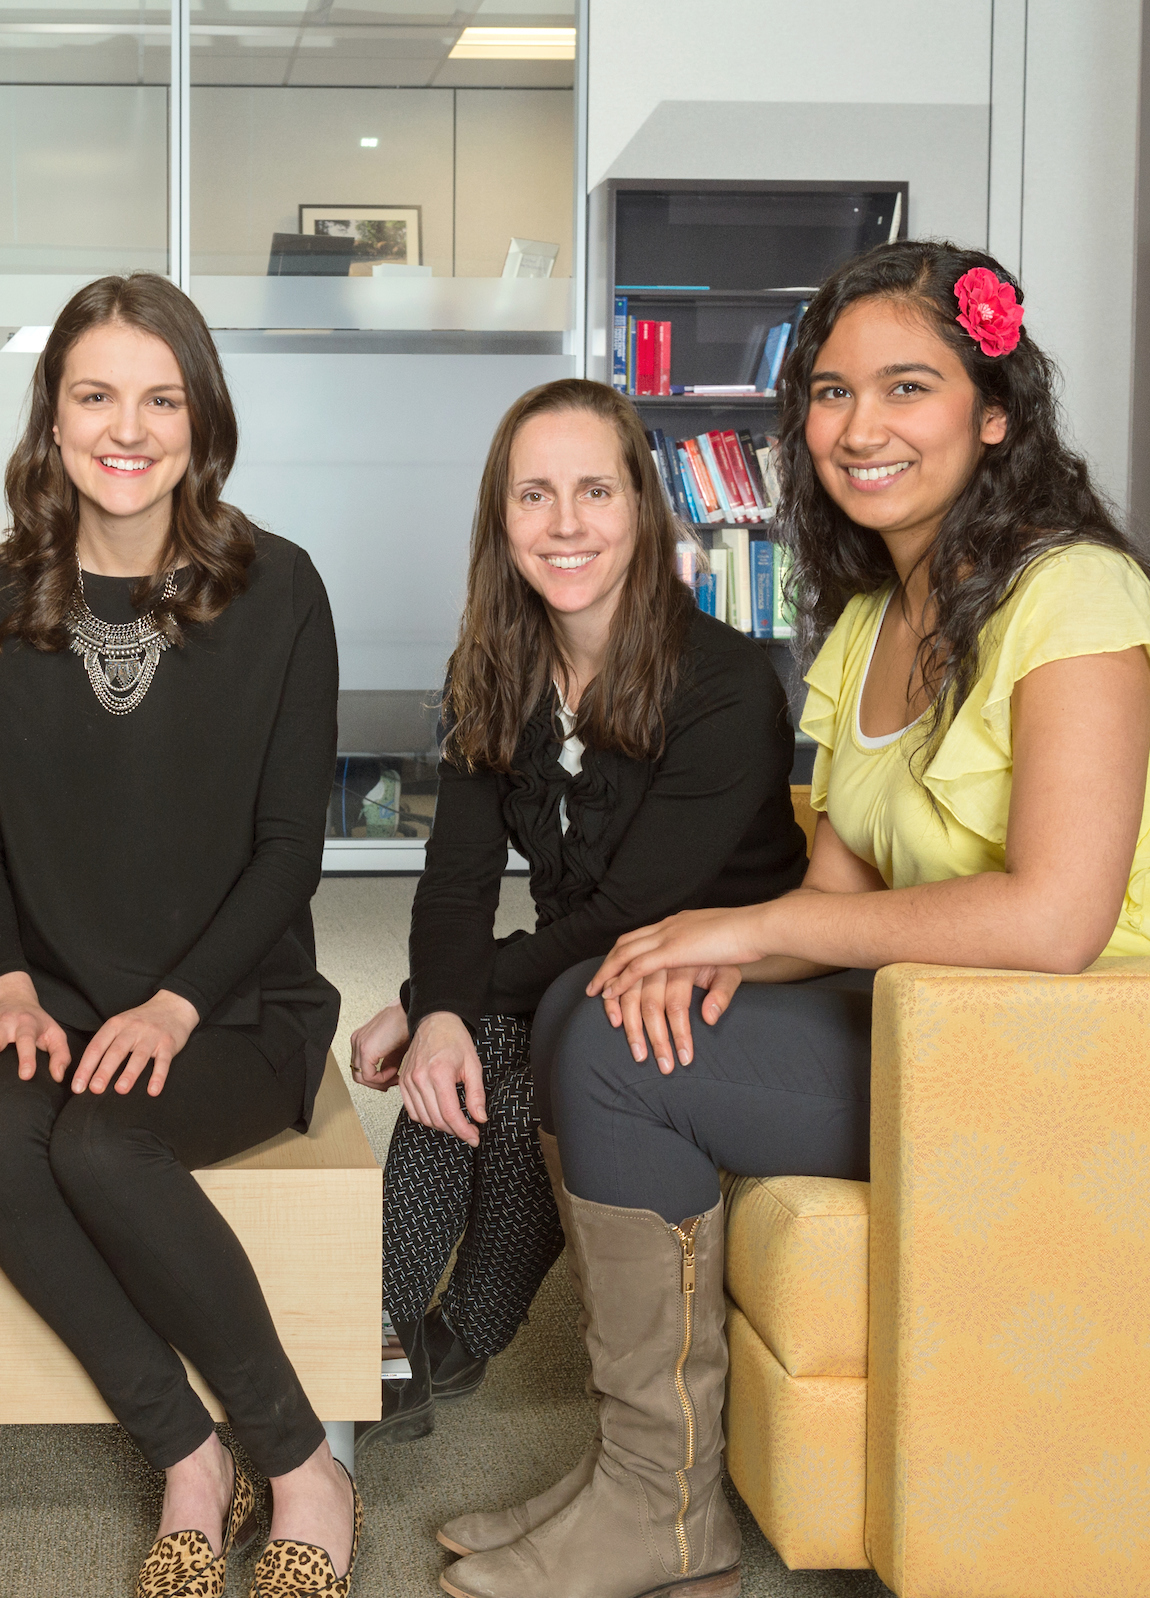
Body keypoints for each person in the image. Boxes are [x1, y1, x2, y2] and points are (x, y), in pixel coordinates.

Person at [432, 243, 1150, 1598]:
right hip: (940, 1027)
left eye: (908, 386)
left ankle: (659, 1506)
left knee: (611, 1047)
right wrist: (704, 940)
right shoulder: (872, 619)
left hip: (1098, 1060)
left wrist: (741, 936)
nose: (860, 427)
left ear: (994, 412)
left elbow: (1058, 916)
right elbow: (837, 902)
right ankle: (650, 1474)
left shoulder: (1077, 598)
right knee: (602, 999)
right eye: (830, 392)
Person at [0, 273, 360, 1598]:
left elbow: (293, 844)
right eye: (96, 394)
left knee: (101, 1140)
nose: (129, 428)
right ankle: (186, 1451)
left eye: (161, 397)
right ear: (52, 419)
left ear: (201, 417)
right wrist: (5, 984)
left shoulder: (281, 590)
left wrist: (175, 1003)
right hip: (54, 993)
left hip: (232, 1007)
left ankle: (301, 1465)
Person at [346, 380, 806, 1450]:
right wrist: (446, 1011)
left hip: (718, 978)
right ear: (500, 521)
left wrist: (429, 998)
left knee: (514, 1062)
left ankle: (454, 1334)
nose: (565, 525)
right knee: (467, 1051)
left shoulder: (729, 685)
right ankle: (372, 1327)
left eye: (595, 490)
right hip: (578, 967)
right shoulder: (491, 672)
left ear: (641, 506)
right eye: (534, 495)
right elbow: (455, 879)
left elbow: (623, 914)